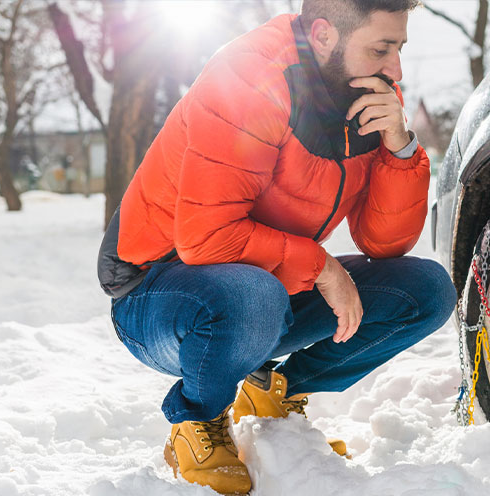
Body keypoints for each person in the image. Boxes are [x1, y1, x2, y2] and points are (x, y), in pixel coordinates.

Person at [97, 0, 456, 493]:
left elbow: (383, 241)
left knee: (426, 291)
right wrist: (324, 269)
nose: (394, 68)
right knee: (253, 298)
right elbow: (207, 238)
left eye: (398, 48)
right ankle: (195, 420)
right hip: (161, 293)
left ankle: (271, 391)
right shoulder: (249, 79)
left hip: (266, 279)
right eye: (381, 48)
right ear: (325, 36)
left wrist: (399, 148)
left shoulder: (367, 89)